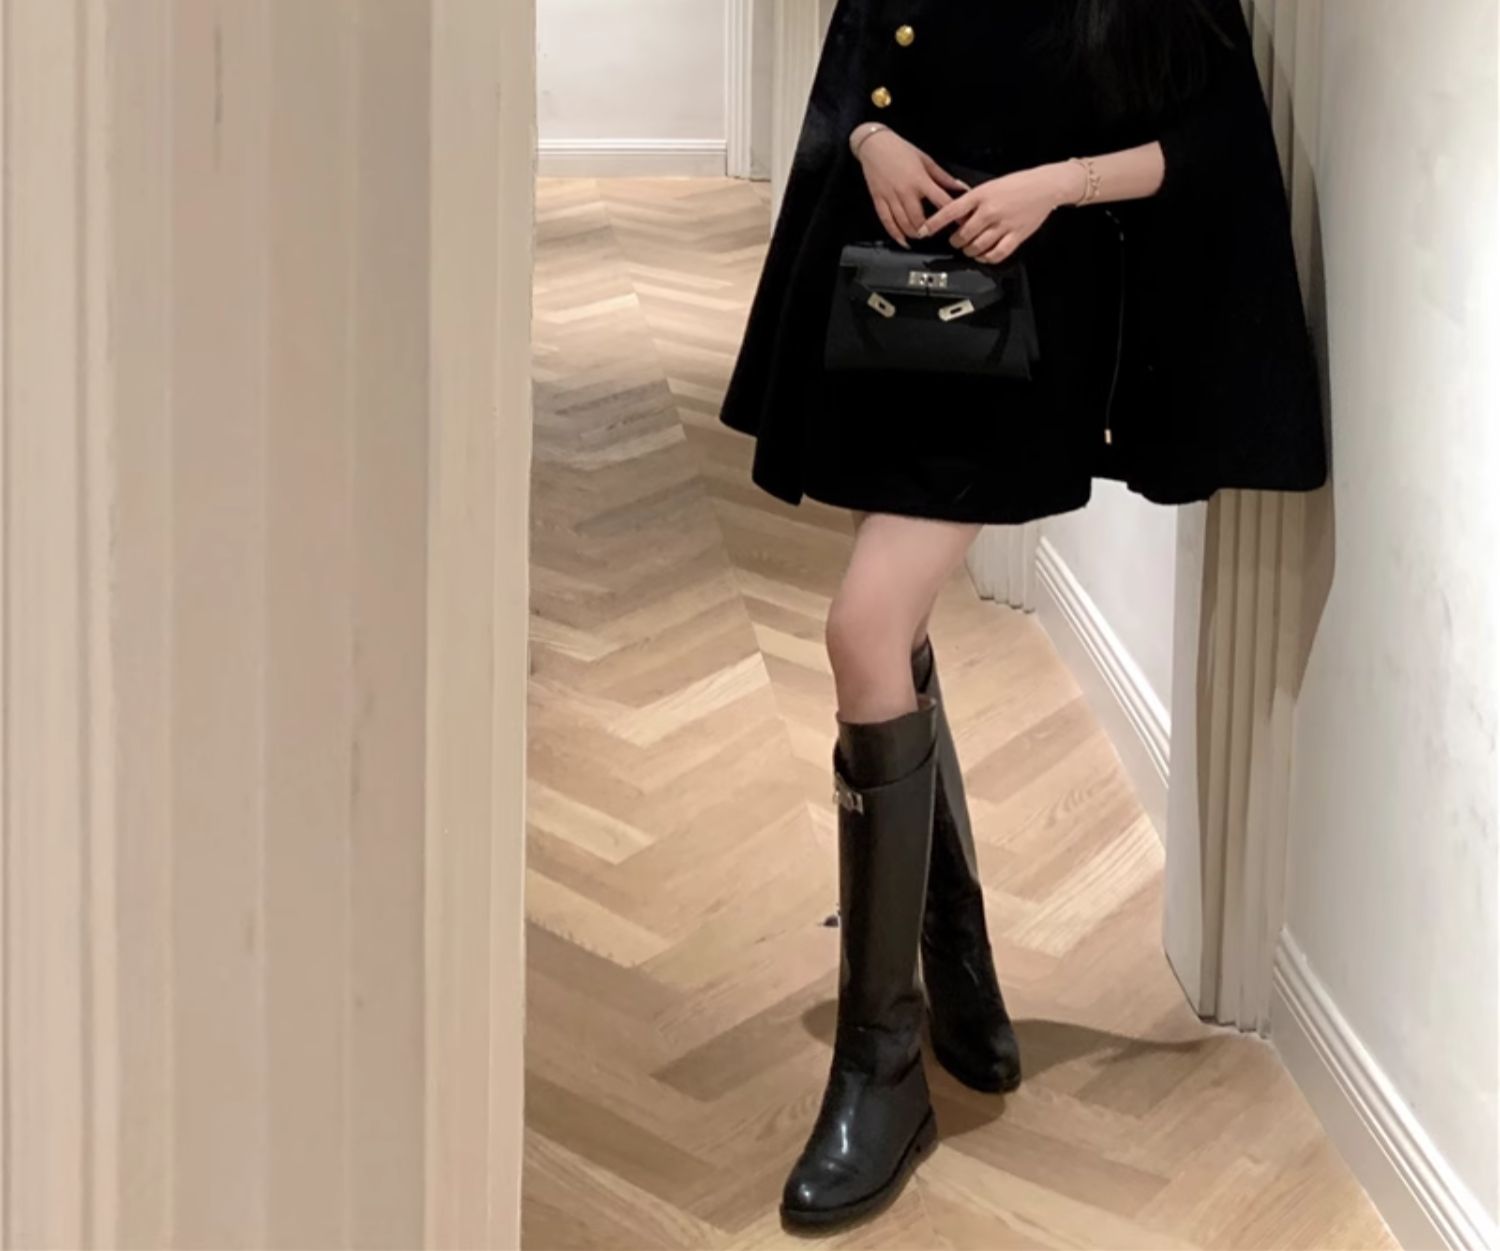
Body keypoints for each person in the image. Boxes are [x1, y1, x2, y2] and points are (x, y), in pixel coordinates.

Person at [718, 0, 1329, 1230]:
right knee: (891, 635)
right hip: (888, 299)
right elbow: (859, 51)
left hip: (1027, 327)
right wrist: (871, 141)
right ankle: (953, 960)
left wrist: (1057, 184)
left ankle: (879, 1067)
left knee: (861, 630)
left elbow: (1212, 142)